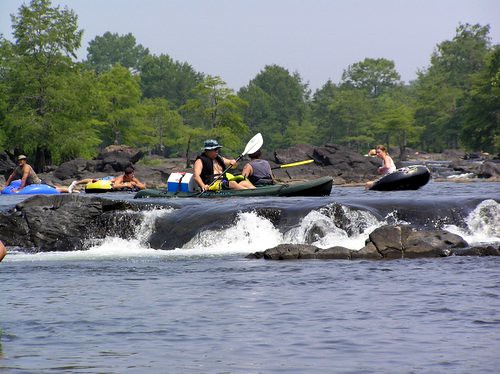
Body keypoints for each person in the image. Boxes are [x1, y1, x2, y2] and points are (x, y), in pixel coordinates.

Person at [5, 155, 72, 193]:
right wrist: (6, 186)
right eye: (19, 160)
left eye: (22, 160)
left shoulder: (27, 167)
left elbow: (24, 178)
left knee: (56, 189)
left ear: (25, 161)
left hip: (38, 183)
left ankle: (71, 189)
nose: (20, 161)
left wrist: (20, 189)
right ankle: (70, 188)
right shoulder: (18, 168)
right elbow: (11, 176)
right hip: (29, 184)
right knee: (56, 187)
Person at [68, 167, 146, 192]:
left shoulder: (133, 178)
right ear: (127, 175)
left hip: (114, 181)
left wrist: (135, 184)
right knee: (93, 180)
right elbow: (115, 185)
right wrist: (126, 184)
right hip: (109, 179)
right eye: (132, 174)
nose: (133, 175)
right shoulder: (121, 178)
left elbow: (143, 186)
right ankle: (76, 183)